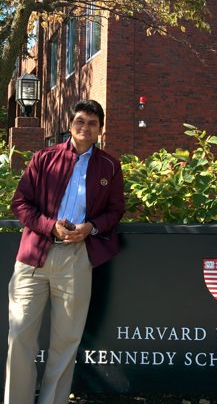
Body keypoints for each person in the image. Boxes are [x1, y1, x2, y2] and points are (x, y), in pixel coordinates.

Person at [3, 99, 125, 404]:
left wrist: (91, 228)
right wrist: (50, 226)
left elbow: (115, 211)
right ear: (69, 125)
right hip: (34, 256)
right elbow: (20, 204)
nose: (85, 127)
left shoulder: (109, 166)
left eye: (92, 123)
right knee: (20, 338)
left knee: (65, 342)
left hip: (77, 257)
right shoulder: (43, 158)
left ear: (100, 129)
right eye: (80, 121)